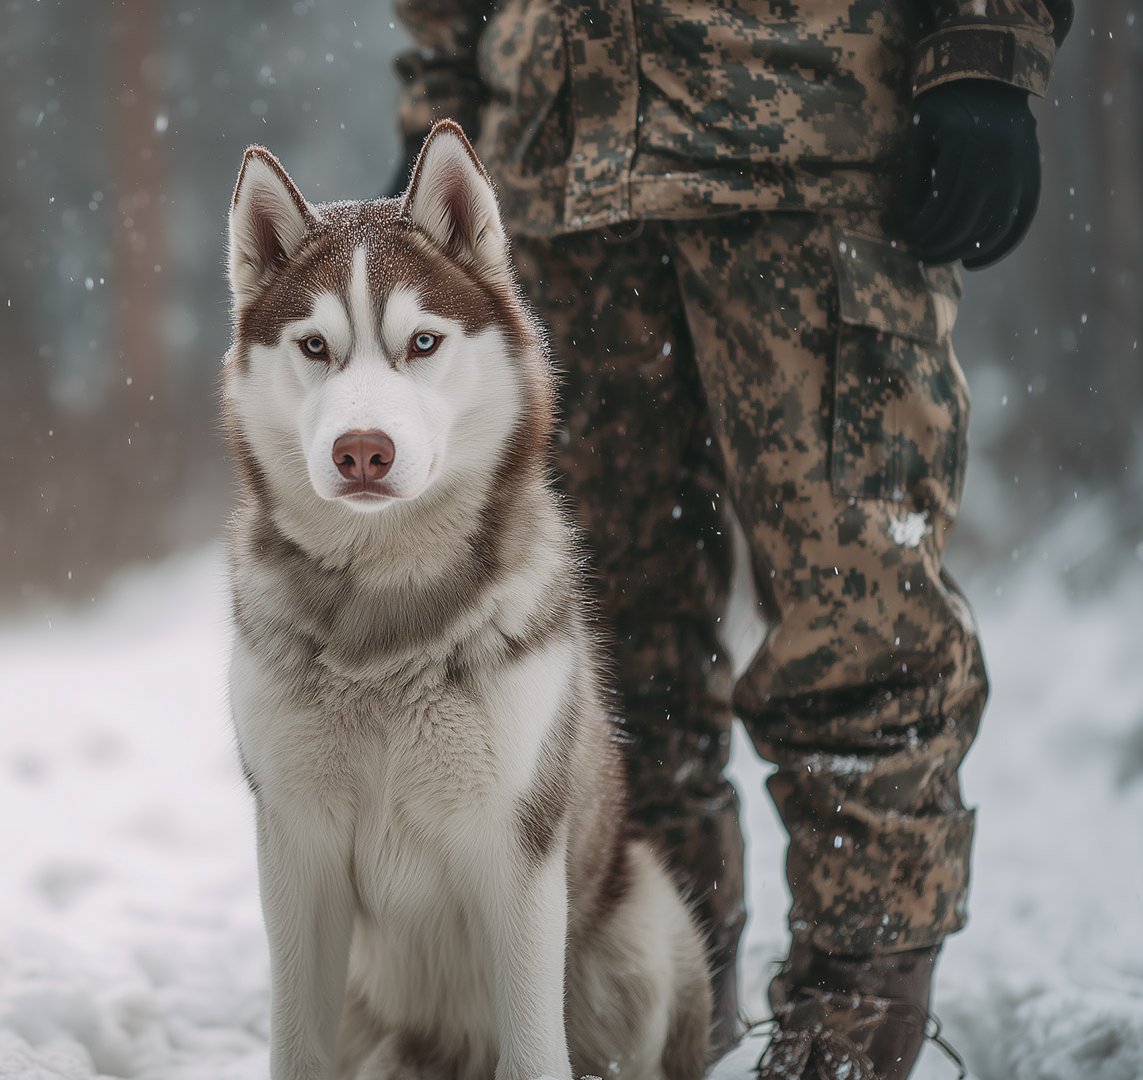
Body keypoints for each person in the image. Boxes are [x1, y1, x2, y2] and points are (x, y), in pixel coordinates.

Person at [387, 1, 1072, 1077]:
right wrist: (439, 116)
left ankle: (856, 1015)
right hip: (552, 164)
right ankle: (650, 1006)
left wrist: (983, 50)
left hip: (803, 130)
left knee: (858, 613)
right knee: (600, 652)